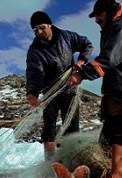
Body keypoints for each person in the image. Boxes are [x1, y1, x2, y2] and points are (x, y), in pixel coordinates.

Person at [68, 0, 122, 178]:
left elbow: (109, 59)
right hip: (114, 93)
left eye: (98, 14)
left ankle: (118, 176)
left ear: (110, 11)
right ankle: (107, 172)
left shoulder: (121, 29)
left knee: (121, 133)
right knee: (108, 135)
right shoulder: (112, 30)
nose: (96, 19)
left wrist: (82, 74)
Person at [26, 11, 93, 160]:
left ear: (49, 24)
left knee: (72, 127)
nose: (39, 32)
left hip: (70, 88)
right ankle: (49, 163)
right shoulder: (35, 50)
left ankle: (71, 160)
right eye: (35, 29)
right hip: (50, 91)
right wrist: (32, 93)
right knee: (49, 127)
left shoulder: (67, 37)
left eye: (42, 27)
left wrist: (82, 60)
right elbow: (34, 72)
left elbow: (87, 44)